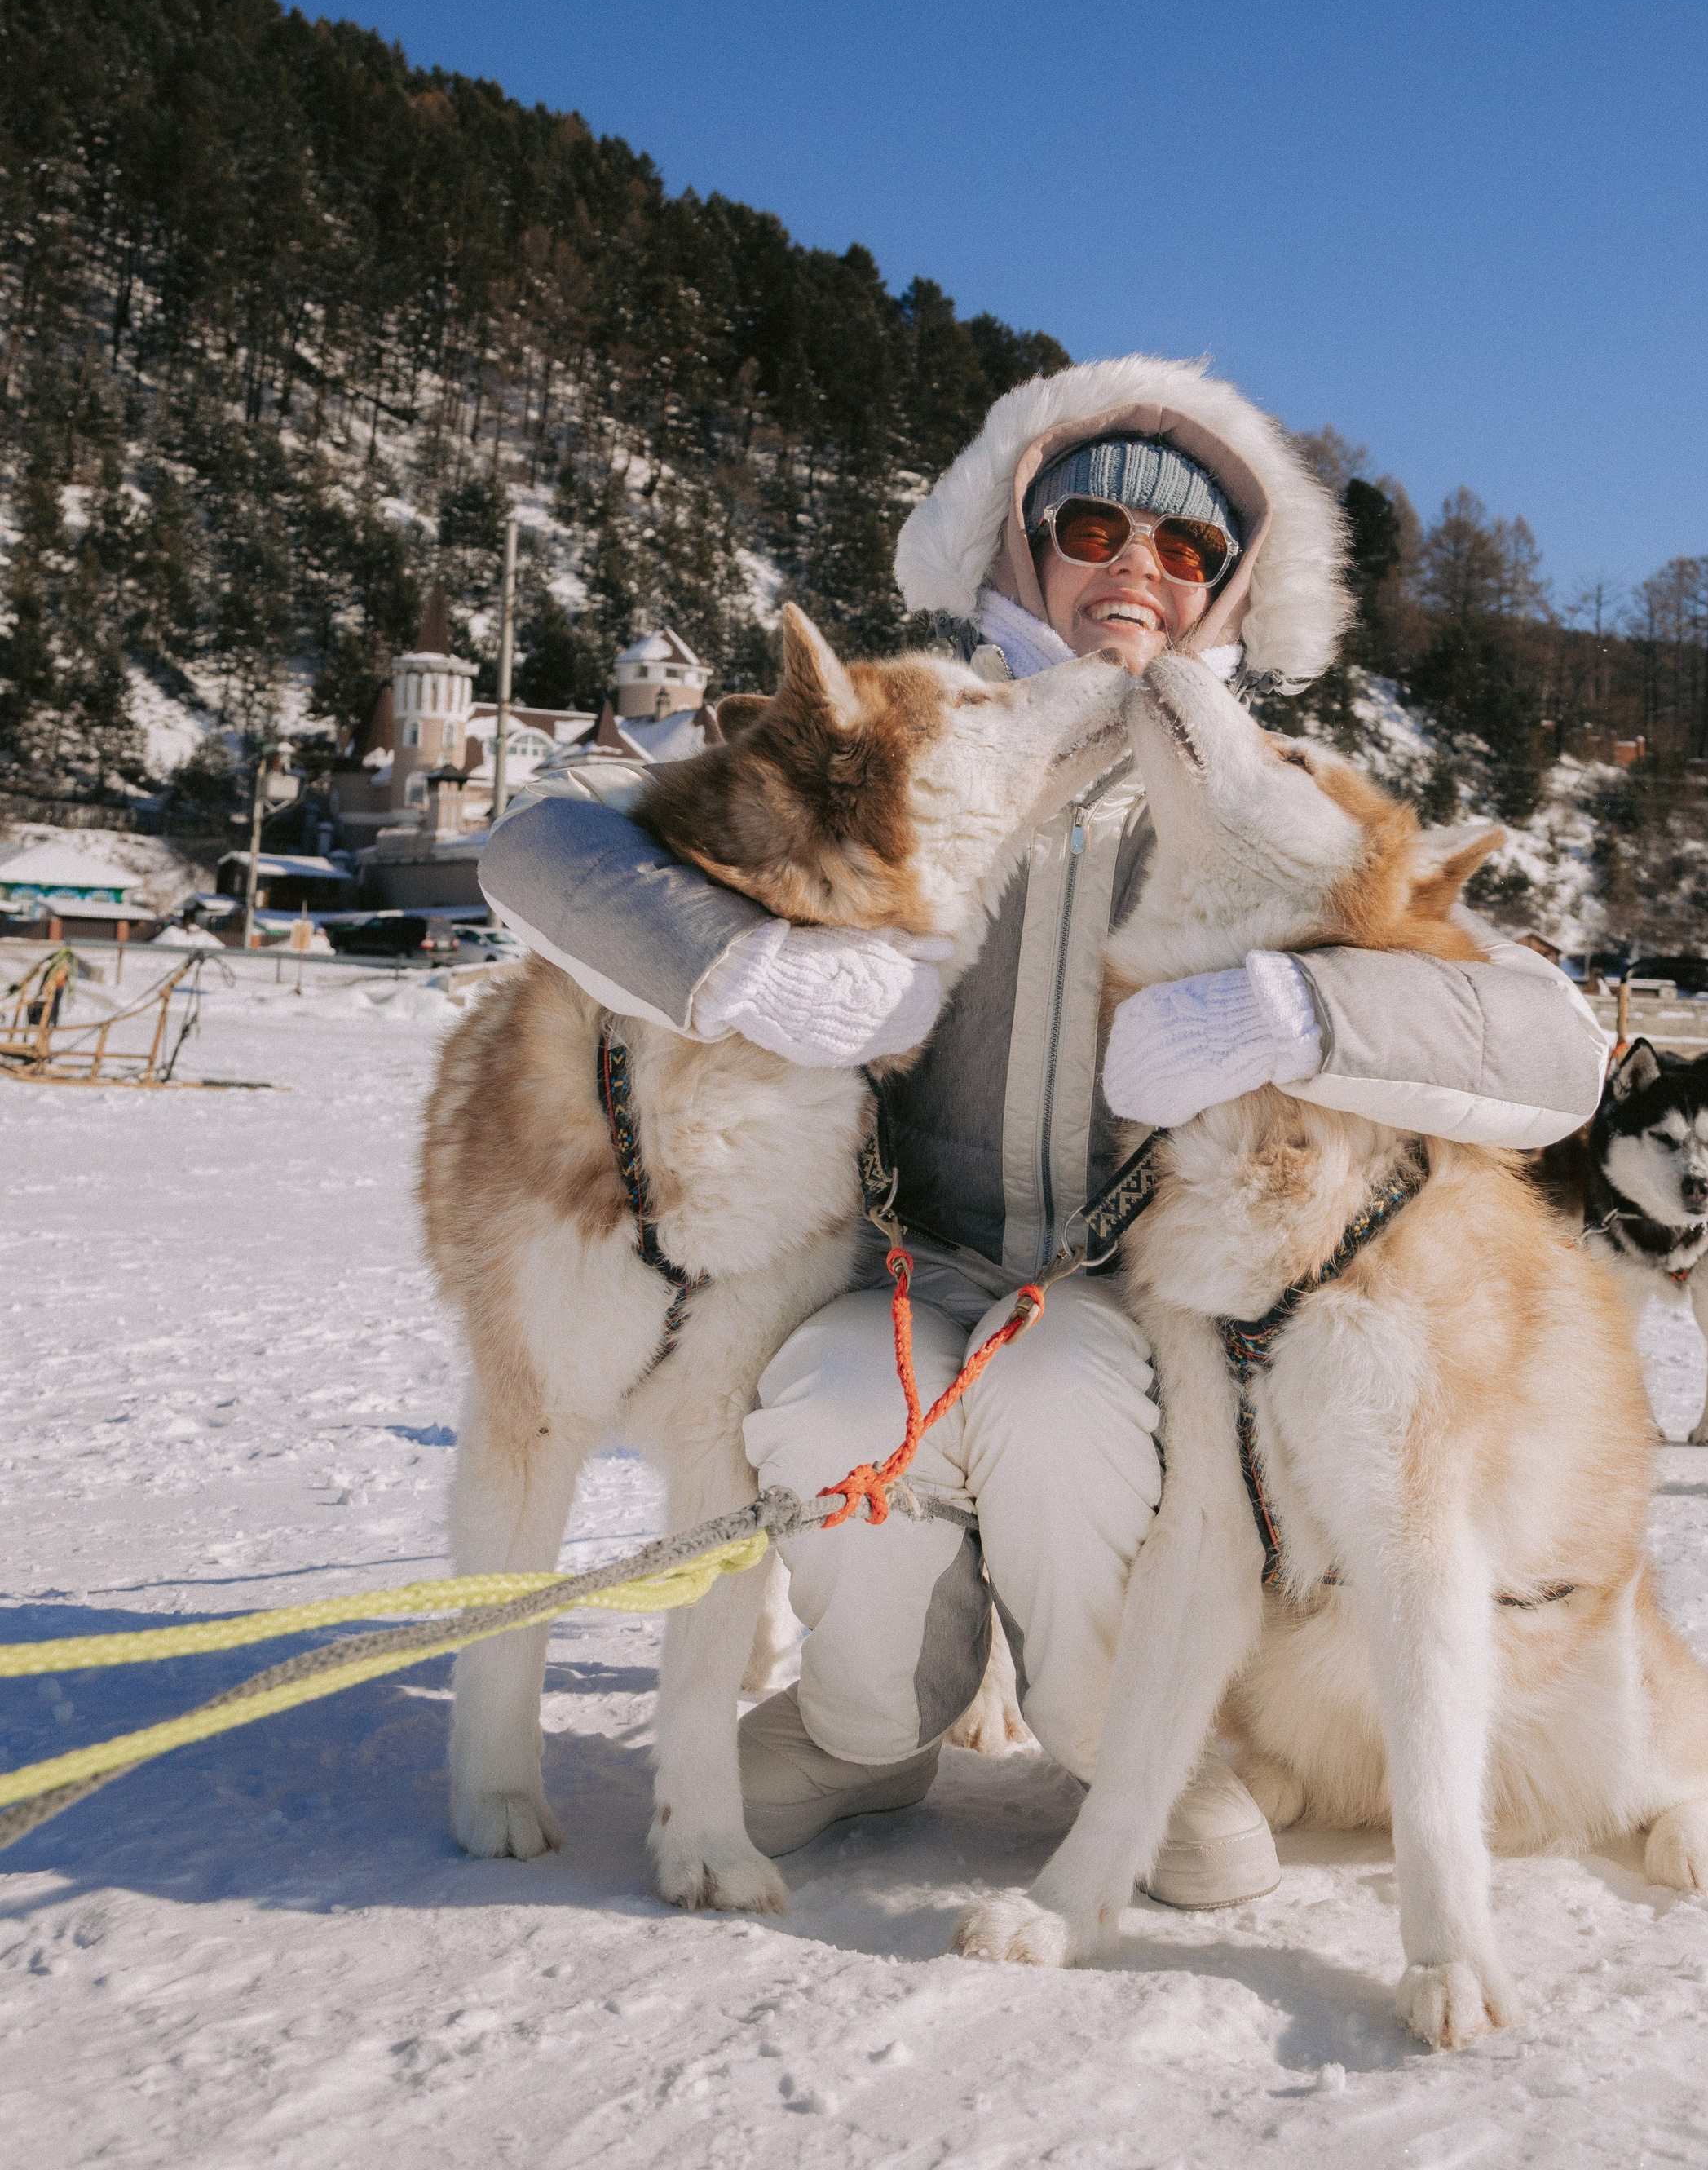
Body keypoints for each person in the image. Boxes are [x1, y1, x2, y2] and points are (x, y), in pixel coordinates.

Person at [480, 355, 1608, 1907]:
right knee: (826, 1405)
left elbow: (1552, 1037)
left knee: (1073, 1405)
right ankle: (867, 1725)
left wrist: (1307, 1019)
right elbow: (542, 841)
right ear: (1014, 547)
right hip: (891, 1256)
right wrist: (738, 967)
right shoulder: (920, 741)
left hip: (1113, 1281)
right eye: (1096, 526)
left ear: (1229, 600)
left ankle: (1113, 1747)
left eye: (1189, 550)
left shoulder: (1268, 800)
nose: (1139, 566)